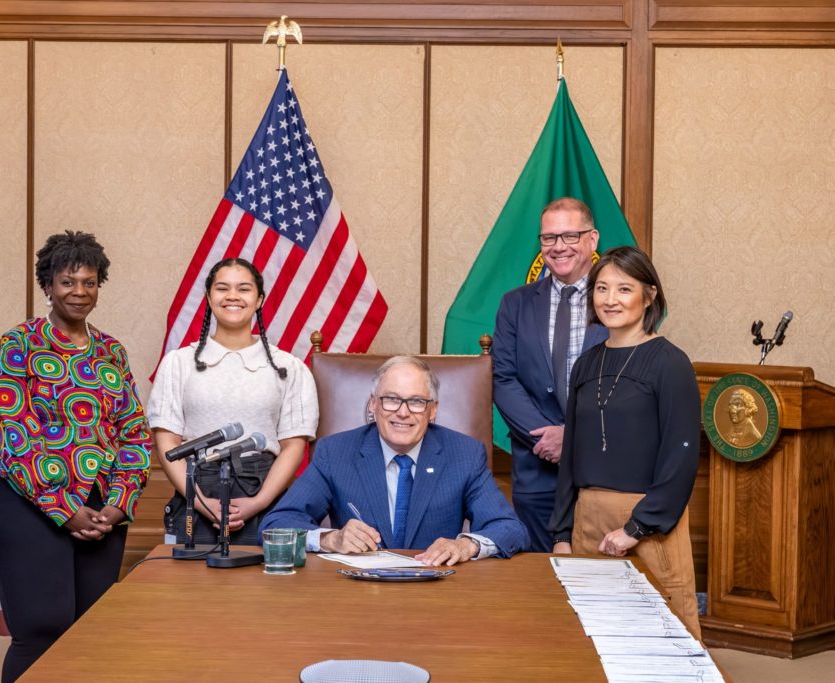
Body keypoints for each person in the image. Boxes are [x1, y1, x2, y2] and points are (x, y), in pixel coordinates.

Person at [0, 230, 151, 682]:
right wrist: (64, 509)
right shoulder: (19, 344)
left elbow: (134, 434)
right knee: (41, 629)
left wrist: (117, 505)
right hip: (27, 504)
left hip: (100, 510)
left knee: (89, 632)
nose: (79, 292)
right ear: (48, 285)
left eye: (90, 282)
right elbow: (12, 436)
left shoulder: (111, 350)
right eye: (67, 282)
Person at [549, 246, 702, 638]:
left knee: (657, 635)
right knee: (595, 634)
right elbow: (571, 456)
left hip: (647, 523)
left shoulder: (670, 363)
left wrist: (636, 528)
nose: (610, 300)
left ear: (649, 295)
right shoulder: (586, 363)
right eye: (601, 288)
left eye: (623, 288)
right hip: (587, 519)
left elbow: (680, 456)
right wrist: (562, 533)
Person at [261, 356, 528, 565]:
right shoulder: (336, 452)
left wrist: (466, 545)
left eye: (416, 401)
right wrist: (331, 539)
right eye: (390, 399)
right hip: (356, 596)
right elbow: (275, 525)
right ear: (373, 405)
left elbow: (509, 529)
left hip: (438, 593)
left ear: (433, 410)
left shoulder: (464, 454)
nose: (402, 412)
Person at [147, 257, 317, 546]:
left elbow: (293, 445)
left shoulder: (289, 366)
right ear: (209, 297)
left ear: (259, 299)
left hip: (265, 496)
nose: (233, 296)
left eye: (244, 289)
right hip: (195, 493)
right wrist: (202, 503)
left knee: (265, 589)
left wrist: (259, 502)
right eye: (222, 288)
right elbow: (167, 444)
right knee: (189, 587)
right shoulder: (178, 363)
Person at [491, 197, 609, 552]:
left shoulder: (616, 301)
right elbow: (503, 379)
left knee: (601, 582)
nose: (559, 247)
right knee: (540, 586)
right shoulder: (515, 303)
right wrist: (548, 440)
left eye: (570, 235)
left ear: (593, 238)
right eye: (548, 238)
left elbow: (626, 386)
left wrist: (572, 438)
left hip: (602, 470)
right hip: (537, 467)